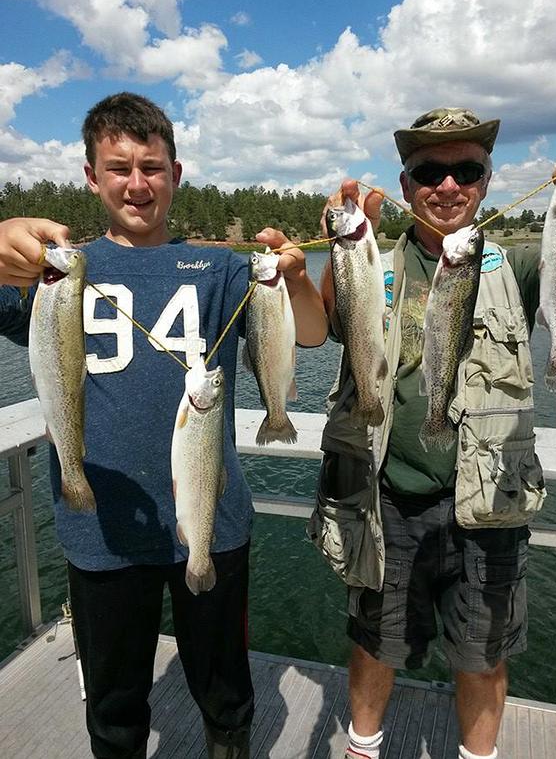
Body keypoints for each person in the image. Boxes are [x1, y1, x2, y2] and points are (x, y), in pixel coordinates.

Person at [0, 92, 328, 759]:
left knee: (224, 682)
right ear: (92, 176)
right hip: (102, 524)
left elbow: (314, 334)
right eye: (119, 167)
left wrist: (292, 278)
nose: (137, 182)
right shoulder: (53, 271)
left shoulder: (219, 267)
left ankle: (228, 745)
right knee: (116, 696)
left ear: (176, 174)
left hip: (212, 515)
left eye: (152, 166)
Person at [312, 108, 556, 759]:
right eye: (430, 171)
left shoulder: (521, 262)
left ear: (488, 180)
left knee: (483, 654)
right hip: (388, 498)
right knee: (373, 640)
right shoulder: (373, 261)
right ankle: (363, 747)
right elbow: (329, 321)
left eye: (465, 169)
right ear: (407, 183)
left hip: (488, 502)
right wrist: (340, 243)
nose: (447, 185)